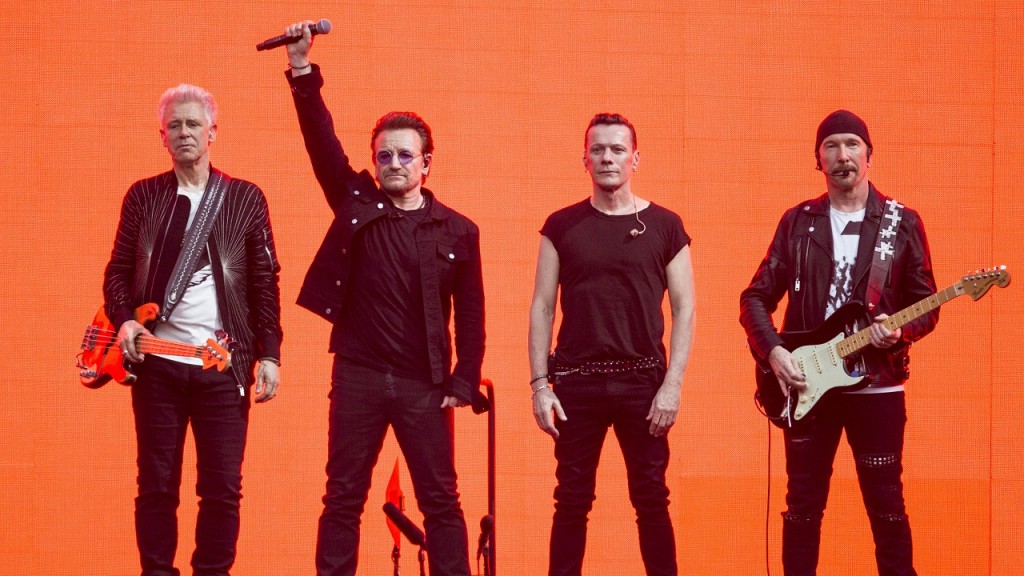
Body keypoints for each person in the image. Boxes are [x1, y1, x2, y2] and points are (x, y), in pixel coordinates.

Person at [280, 21, 487, 576]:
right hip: (358, 375)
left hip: (426, 382)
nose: (393, 164)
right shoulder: (354, 202)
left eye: (404, 156)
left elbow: (471, 315)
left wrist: (464, 381)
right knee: (342, 497)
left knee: (441, 502)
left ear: (426, 163)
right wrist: (302, 70)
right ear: (374, 162)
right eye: (384, 156)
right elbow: (320, 143)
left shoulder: (457, 230)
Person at [739, 110, 939, 575]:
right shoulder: (797, 223)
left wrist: (902, 330)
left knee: (887, 507)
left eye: (852, 144)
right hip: (809, 385)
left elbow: (927, 302)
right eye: (831, 146)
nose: (842, 155)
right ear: (818, 160)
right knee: (802, 508)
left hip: (879, 386)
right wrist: (774, 351)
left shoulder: (901, 222)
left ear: (869, 155)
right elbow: (754, 298)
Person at [102, 84, 283, 576]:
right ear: (162, 137)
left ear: (213, 132)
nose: (184, 132)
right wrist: (123, 322)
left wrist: (270, 353)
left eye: (193, 124)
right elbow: (118, 270)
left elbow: (265, 281)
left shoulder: (245, 198)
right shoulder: (143, 196)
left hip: (223, 367)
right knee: (157, 485)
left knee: (222, 489)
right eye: (174, 126)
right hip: (157, 365)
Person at [529, 113, 696, 576]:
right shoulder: (561, 226)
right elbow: (542, 307)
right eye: (598, 149)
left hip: (644, 383)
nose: (607, 157)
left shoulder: (665, 226)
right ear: (583, 159)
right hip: (575, 385)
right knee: (571, 501)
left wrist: (672, 385)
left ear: (635, 159)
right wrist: (541, 386)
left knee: (651, 499)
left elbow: (685, 308)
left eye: (617, 149)